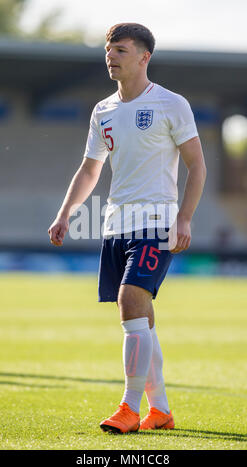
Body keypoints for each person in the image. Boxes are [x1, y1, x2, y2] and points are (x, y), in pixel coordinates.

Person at [48, 23, 206, 434]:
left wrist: (184, 217)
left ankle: (129, 408)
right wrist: (66, 212)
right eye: (108, 50)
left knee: (130, 302)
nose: (110, 56)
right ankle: (162, 410)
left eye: (120, 49)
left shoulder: (171, 104)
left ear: (143, 56)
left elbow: (197, 165)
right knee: (142, 321)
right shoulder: (103, 110)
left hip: (156, 223)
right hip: (116, 225)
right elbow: (90, 168)